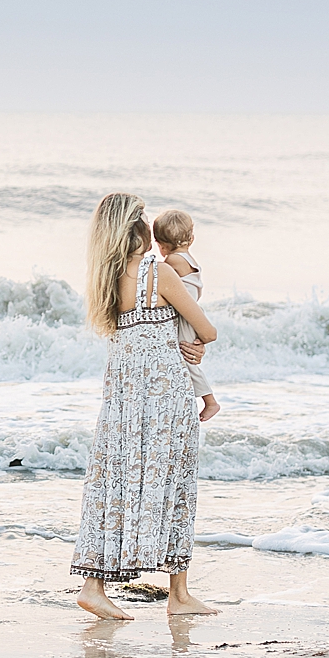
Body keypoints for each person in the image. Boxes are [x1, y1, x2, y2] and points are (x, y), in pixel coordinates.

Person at [71, 192, 220, 620]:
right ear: (138, 230)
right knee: (174, 484)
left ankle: (93, 586)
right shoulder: (157, 272)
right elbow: (206, 330)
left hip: (121, 398)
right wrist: (196, 344)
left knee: (112, 484)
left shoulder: (104, 279)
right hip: (163, 396)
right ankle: (179, 594)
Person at [152, 208, 220, 423]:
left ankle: (210, 401)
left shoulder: (172, 261)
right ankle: (207, 399)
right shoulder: (187, 258)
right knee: (187, 353)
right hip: (190, 311)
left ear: (160, 245)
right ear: (191, 238)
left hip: (187, 314)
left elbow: (159, 278)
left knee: (185, 355)